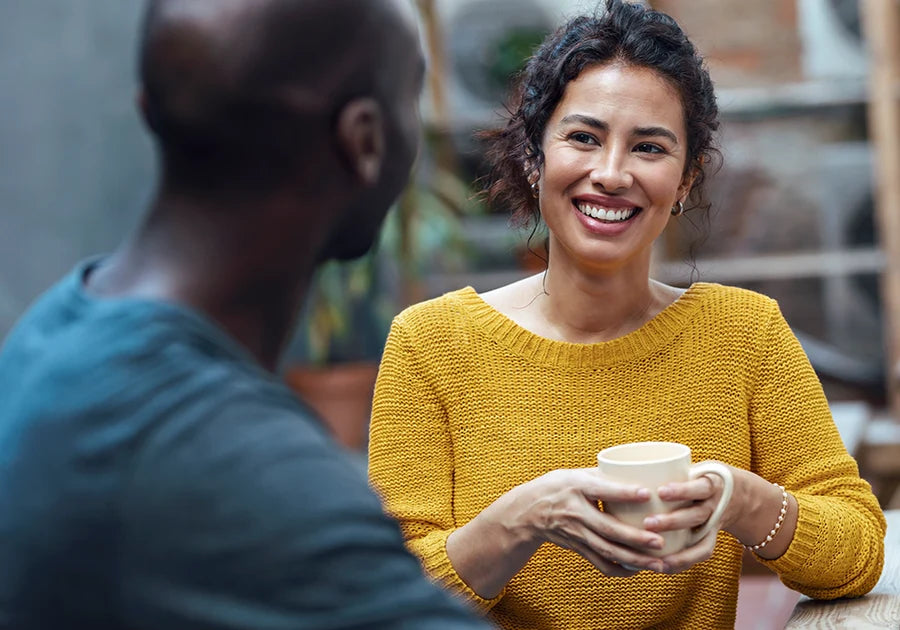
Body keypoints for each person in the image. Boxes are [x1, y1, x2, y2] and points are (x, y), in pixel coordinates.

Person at [367, 1, 887, 628]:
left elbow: (858, 552)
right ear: (535, 158)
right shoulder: (432, 343)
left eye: (649, 147)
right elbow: (385, 594)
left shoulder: (745, 335)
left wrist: (740, 499)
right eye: (583, 138)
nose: (611, 174)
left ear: (687, 179)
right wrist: (526, 517)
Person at [0, 1, 494, 628]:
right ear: (365, 141)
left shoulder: (58, 330)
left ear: (151, 110)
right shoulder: (222, 465)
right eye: (411, 94)